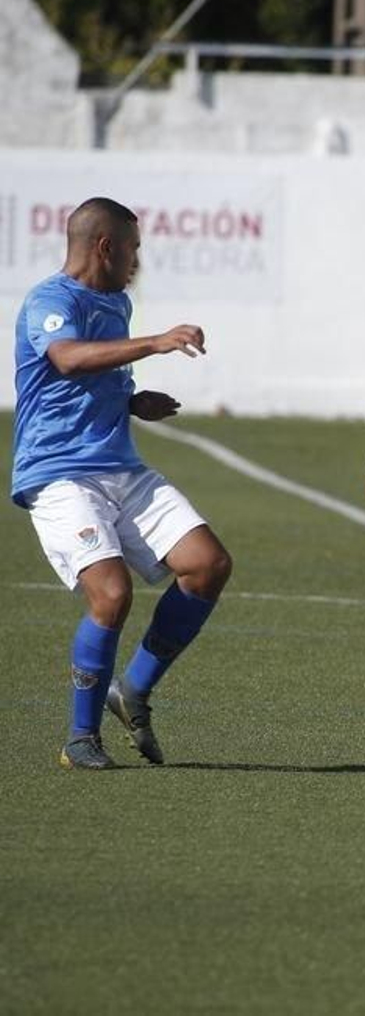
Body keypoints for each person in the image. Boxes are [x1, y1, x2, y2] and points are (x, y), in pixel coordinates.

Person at [11, 197, 234, 770]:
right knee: (111, 594)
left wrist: (132, 400)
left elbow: (92, 376)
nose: (138, 260)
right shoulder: (50, 301)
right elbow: (66, 359)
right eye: (133, 248)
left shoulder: (117, 301)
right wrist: (155, 343)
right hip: (59, 474)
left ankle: (130, 689)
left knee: (208, 564)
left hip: (120, 467)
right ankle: (80, 739)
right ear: (105, 246)